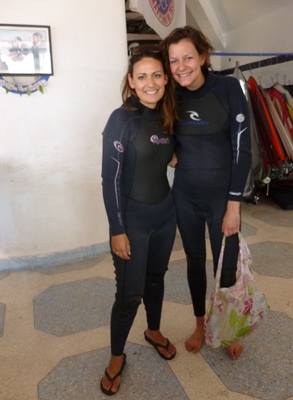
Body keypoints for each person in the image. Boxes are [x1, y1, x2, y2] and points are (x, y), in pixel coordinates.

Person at [161, 26, 251, 360]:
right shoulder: (171, 94)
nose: (181, 66)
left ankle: (227, 329)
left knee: (226, 265)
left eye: (187, 57)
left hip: (221, 200)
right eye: (173, 61)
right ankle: (200, 324)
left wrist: (234, 205)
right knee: (195, 263)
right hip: (185, 196)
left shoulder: (228, 89)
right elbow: (157, 135)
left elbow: (243, 151)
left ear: (202, 56)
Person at [100, 44, 178, 395]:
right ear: (131, 81)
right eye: (142, 76)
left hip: (165, 214)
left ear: (165, 79)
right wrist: (117, 230)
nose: (151, 83)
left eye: (157, 75)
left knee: (156, 279)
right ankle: (117, 356)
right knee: (129, 294)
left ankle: (153, 330)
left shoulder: (167, 114)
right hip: (132, 221)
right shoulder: (121, 120)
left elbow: (169, 155)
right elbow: (110, 179)